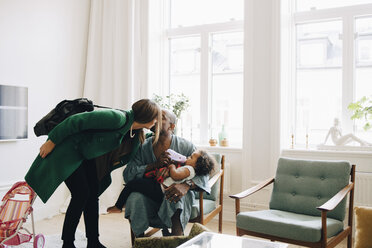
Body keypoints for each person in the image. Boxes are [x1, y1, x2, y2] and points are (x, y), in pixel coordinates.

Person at [25, 99, 162, 248]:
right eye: (156, 118)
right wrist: (51, 141)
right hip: (68, 151)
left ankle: (93, 241)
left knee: (92, 195)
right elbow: (74, 121)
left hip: (84, 154)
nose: (157, 121)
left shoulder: (135, 133)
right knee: (81, 194)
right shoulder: (117, 118)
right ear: (146, 116)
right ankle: (68, 243)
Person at [123, 109, 210, 236]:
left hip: (176, 195)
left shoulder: (186, 146)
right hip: (151, 194)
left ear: (172, 126)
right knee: (135, 197)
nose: (156, 119)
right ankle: (141, 242)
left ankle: (177, 238)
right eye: (154, 116)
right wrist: (154, 165)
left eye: (161, 117)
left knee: (175, 194)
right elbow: (128, 174)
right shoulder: (143, 147)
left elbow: (204, 175)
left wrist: (186, 185)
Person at [106, 150, 215, 213]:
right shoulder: (188, 167)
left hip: (160, 189)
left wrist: (172, 167)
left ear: (196, 165)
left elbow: (176, 176)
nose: (187, 157)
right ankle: (123, 204)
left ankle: (118, 206)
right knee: (138, 184)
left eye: (191, 157)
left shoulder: (189, 169)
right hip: (160, 187)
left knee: (132, 184)